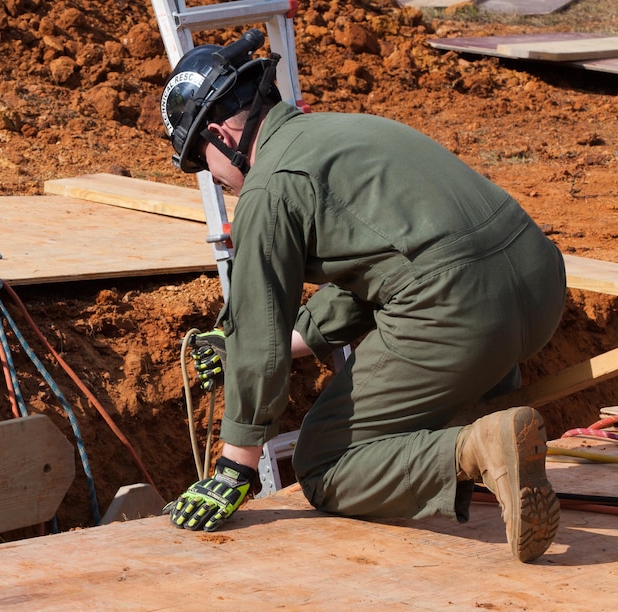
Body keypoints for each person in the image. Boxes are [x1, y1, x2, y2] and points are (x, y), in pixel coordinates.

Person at [158, 31, 566, 563]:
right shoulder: (343, 131)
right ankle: (483, 411)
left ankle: (477, 446)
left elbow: (258, 341)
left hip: (461, 312)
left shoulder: (268, 185)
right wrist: (270, 341)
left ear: (219, 134)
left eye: (200, 162)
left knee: (325, 461)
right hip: (539, 288)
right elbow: (382, 272)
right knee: (436, 344)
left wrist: (235, 469)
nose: (213, 178)